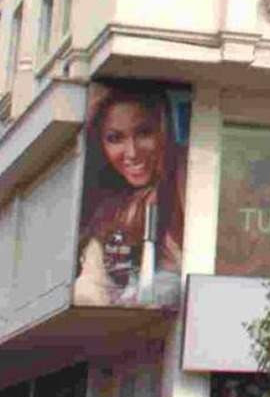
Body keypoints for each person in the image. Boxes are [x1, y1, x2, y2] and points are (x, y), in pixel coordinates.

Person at [73, 82, 186, 307]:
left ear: (163, 131)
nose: (132, 153)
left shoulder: (185, 182)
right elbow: (89, 288)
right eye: (115, 138)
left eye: (144, 133)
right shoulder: (105, 208)